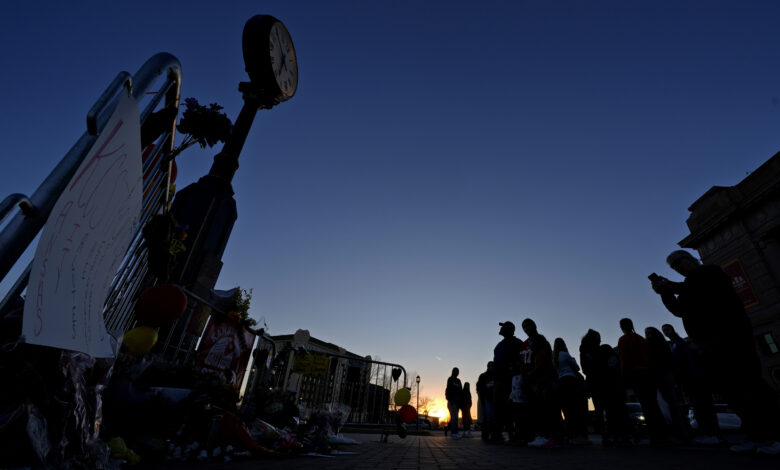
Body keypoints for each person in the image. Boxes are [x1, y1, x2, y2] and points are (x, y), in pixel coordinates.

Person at [652, 250, 780, 454]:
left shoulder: (711, 273)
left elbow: (699, 289)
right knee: (731, 390)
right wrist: (664, 293)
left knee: (750, 385)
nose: (678, 267)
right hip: (709, 345)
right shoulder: (687, 287)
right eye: (674, 266)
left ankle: (773, 435)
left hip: (732, 338)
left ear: (690, 258)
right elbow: (678, 310)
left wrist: (670, 286)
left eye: (679, 262)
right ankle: (757, 436)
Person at [661, 323, 721, 445]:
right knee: (697, 406)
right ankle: (707, 433)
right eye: (664, 331)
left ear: (672, 329)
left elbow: (688, 360)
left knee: (703, 405)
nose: (666, 332)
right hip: (685, 379)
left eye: (667, 329)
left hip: (692, 378)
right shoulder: (672, 344)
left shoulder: (681, 342)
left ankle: (712, 433)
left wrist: (694, 375)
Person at [617, 318, 667, 446]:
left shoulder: (623, 340)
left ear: (622, 327)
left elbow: (624, 359)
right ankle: (662, 433)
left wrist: (624, 376)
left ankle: (655, 436)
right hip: (649, 374)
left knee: (646, 405)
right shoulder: (641, 339)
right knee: (653, 404)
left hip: (637, 375)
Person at [580, 329, 631, 446]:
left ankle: (606, 436)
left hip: (595, 384)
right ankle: (617, 435)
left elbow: (585, 369)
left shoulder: (585, 352)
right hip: (607, 383)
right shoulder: (605, 349)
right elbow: (614, 364)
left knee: (600, 411)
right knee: (610, 409)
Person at [521, 318, 564, 447]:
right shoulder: (528, 343)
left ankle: (547, 436)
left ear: (534, 326)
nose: (526, 329)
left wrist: (534, 374)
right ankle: (546, 436)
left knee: (544, 408)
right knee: (538, 408)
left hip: (542, 378)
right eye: (524, 327)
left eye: (528, 325)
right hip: (533, 379)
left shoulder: (540, 341)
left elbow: (543, 360)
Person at [644, 326, 688, 441]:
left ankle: (682, 432)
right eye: (646, 333)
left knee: (672, 403)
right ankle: (680, 431)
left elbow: (669, 361)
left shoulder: (661, 345)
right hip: (659, 375)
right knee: (670, 404)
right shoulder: (655, 345)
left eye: (650, 332)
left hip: (664, 374)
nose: (648, 334)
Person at [553, 337, 591, 445]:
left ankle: (570, 435)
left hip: (561, 382)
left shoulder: (554, 358)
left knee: (566, 409)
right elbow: (577, 367)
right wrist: (573, 361)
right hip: (570, 381)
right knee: (575, 407)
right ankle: (579, 435)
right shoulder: (564, 354)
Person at [492, 321, 525, 442]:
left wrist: (514, 371)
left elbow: (522, 359)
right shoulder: (499, 345)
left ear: (510, 329)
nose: (501, 329)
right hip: (498, 380)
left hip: (510, 380)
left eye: (504, 327)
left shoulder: (517, 343)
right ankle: (497, 434)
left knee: (512, 407)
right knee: (498, 406)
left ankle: (515, 435)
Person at [476, 361, 496, 441]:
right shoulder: (483, 376)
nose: (492, 368)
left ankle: (492, 434)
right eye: (491, 366)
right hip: (486, 399)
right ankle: (485, 435)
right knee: (486, 417)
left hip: (494, 399)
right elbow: (479, 387)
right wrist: (487, 386)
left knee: (492, 417)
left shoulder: (495, 376)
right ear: (488, 366)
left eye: (493, 366)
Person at [445, 367, 463, 439]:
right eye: (455, 371)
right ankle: (453, 433)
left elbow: (461, 391)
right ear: (452, 371)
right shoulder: (450, 379)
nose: (457, 373)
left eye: (458, 371)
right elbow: (448, 389)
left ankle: (454, 431)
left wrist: (460, 402)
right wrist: (450, 399)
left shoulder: (459, 381)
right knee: (454, 417)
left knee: (455, 417)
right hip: (452, 401)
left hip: (457, 402)